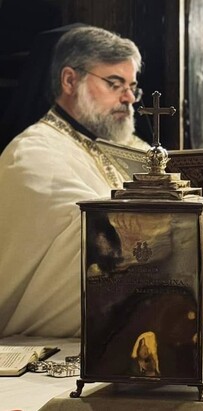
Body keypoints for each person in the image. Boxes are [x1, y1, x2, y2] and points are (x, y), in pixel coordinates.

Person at [0, 26, 148, 337]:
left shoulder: (134, 150)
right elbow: (98, 237)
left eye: (133, 86)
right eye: (115, 83)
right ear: (70, 80)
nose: (129, 98)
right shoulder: (33, 153)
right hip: (49, 349)